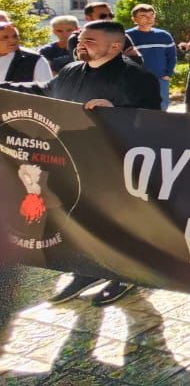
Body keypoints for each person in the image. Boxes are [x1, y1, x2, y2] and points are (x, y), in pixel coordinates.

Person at [0, 20, 159, 305]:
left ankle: (125, 275)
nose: (81, 44)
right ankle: (86, 271)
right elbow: (45, 90)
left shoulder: (137, 77)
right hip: (73, 161)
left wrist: (117, 112)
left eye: (91, 41)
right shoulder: (72, 70)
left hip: (114, 165)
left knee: (118, 224)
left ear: (115, 46)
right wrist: (4, 88)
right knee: (79, 220)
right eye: (81, 38)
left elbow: (154, 119)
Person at [126, 4, 176, 111]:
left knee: (162, 108)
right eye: (144, 16)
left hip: (160, 79)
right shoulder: (127, 36)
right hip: (138, 80)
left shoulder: (164, 35)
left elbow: (171, 57)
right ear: (134, 19)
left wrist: (168, 75)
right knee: (140, 109)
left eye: (152, 15)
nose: (149, 19)